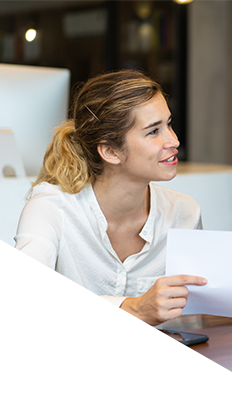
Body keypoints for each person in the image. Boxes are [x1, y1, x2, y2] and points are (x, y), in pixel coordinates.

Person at [4, 70, 207, 328]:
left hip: (157, 365)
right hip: (74, 366)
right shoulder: (51, 207)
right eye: (154, 131)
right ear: (111, 151)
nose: (174, 140)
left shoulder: (185, 212)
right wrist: (126, 309)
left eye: (169, 124)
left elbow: (195, 317)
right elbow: (20, 303)